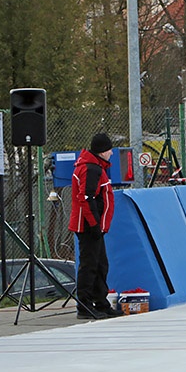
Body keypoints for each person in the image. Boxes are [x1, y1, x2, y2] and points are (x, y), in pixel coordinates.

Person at [68, 133, 123, 320]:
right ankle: (84, 305)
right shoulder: (91, 169)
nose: (111, 154)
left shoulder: (96, 167)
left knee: (100, 264)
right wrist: (94, 224)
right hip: (88, 226)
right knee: (89, 265)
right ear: (101, 151)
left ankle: (101, 302)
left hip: (94, 226)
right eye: (109, 150)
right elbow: (86, 197)